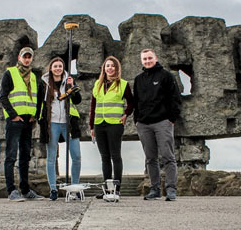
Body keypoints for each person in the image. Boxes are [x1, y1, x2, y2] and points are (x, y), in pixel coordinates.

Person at [132, 48, 181, 201]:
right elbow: (136, 102)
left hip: (162, 122)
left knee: (168, 156)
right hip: (144, 124)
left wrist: (171, 118)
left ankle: (171, 189)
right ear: (141, 61)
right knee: (150, 158)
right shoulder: (138, 79)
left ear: (156, 58)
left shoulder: (166, 76)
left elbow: (175, 98)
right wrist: (137, 120)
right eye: (144, 59)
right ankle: (155, 189)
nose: (147, 61)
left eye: (149, 58)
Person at [0, 46, 44, 201]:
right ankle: (11, 190)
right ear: (19, 57)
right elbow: (3, 97)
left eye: (29, 56)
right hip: (14, 120)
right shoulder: (10, 73)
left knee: (25, 155)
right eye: (25, 56)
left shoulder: (33, 76)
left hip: (28, 121)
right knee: (11, 155)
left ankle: (25, 190)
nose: (27, 59)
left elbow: (38, 99)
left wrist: (35, 115)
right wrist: (13, 115)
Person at [36, 56, 82, 201]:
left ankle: (74, 188)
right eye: (55, 66)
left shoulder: (69, 81)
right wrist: (39, 120)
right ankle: (53, 189)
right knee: (52, 156)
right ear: (51, 68)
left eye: (60, 66)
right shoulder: (44, 83)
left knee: (76, 156)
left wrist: (72, 86)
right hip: (52, 123)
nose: (57, 68)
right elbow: (39, 103)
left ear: (63, 68)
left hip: (69, 123)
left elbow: (77, 100)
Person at [89, 56, 134, 200]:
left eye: (112, 66)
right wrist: (91, 126)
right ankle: (107, 190)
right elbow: (93, 106)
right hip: (99, 124)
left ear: (116, 68)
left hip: (115, 124)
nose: (110, 68)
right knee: (104, 157)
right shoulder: (98, 84)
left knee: (115, 156)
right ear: (104, 68)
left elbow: (132, 103)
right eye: (107, 65)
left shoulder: (123, 84)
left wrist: (126, 114)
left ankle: (117, 189)